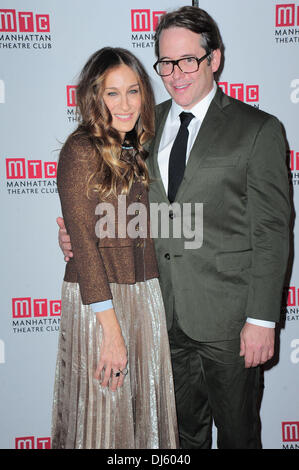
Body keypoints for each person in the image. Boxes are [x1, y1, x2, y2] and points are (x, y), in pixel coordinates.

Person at [58, 7, 290, 449]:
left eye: (188, 60)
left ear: (214, 59)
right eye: (166, 63)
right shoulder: (142, 127)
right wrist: (78, 233)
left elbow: (273, 231)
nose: (176, 73)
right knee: (180, 439)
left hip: (230, 323)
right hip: (159, 317)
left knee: (240, 436)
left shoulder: (257, 129)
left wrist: (262, 319)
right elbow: (115, 202)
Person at [52, 47, 178, 449]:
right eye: (112, 93)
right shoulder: (81, 149)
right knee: (106, 425)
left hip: (143, 295)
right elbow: (86, 249)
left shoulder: (134, 147)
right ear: (94, 98)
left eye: (134, 91)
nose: (125, 104)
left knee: (141, 428)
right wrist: (111, 333)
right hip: (102, 303)